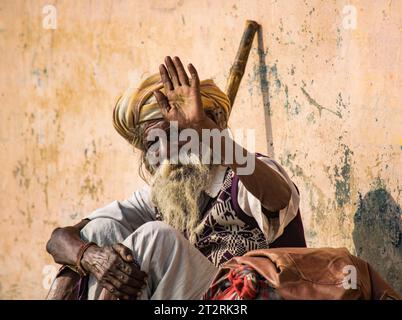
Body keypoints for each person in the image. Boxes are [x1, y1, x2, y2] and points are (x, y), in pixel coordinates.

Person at [46, 56, 306, 300]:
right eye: (152, 144)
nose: (164, 152)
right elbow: (59, 240)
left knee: (157, 238)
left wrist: (210, 134)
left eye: (173, 133)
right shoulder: (161, 197)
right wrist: (90, 257)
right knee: (100, 231)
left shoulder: (243, 174)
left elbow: (279, 198)